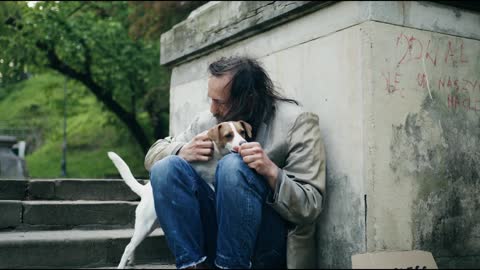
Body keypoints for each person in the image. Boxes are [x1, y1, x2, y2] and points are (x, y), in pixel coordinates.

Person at [144, 56, 326, 269]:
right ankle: (193, 265)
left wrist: (271, 172)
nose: (212, 109)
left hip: (269, 244)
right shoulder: (209, 123)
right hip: (217, 238)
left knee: (233, 166)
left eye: (219, 102)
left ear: (248, 99)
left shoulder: (296, 122)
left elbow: (310, 206)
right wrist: (181, 150)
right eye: (210, 99)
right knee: (167, 168)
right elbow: (152, 157)